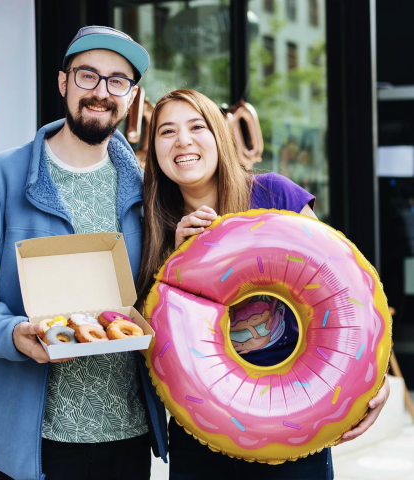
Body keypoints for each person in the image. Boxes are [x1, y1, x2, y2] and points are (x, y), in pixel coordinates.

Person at [0, 26, 168, 480]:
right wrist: (9, 331)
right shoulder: (1, 178)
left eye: (117, 81)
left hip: (129, 433)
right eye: (88, 76)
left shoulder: (146, 188)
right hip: (35, 440)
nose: (101, 92)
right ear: (63, 82)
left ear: (131, 96)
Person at [135, 89, 390, 479]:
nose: (183, 140)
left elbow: (341, 294)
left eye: (196, 126)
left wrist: (374, 378)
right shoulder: (153, 226)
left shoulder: (274, 194)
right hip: (206, 426)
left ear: (219, 134)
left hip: (298, 414)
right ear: (153, 150)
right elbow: (142, 337)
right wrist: (174, 257)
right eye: (166, 132)